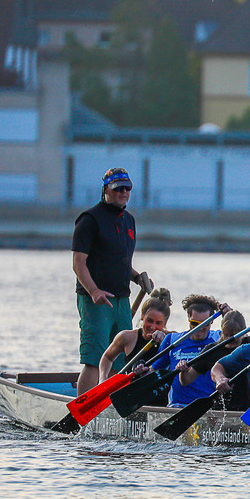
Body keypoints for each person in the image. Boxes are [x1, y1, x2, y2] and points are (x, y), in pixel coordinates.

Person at [71, 167, 150, 395]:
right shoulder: (89, 220)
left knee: (121, 357)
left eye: (127, 188)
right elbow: (78, 263)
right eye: (118, 189)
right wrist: (94, 291)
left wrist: (136, 277)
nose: (123, 192)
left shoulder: (129, 220)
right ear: (106, 189)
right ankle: (84, 409)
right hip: (96, 300)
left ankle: (112, 405)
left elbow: (120, 261)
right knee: (94, 357)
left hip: (122, 299)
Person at [147, 294, 225, 407]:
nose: (199, 329)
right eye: (194, 323)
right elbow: (153, 372)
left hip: (208, 408)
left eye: (205, 324)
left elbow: (240, 339)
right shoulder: (172, 340)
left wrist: (229, 315)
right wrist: (141, 371)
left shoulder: (219, 339)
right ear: (188, 318)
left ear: (211, 321)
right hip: (177, 407)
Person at [98, 288, 172, 382]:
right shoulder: (126, 337)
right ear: (142, 317)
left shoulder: (172, 339)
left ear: (165, 323)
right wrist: (103, 378)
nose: (153, 327)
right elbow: (107, 357)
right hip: (133, 389)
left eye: (158, 323)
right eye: (149, 321)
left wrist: (165, 341)